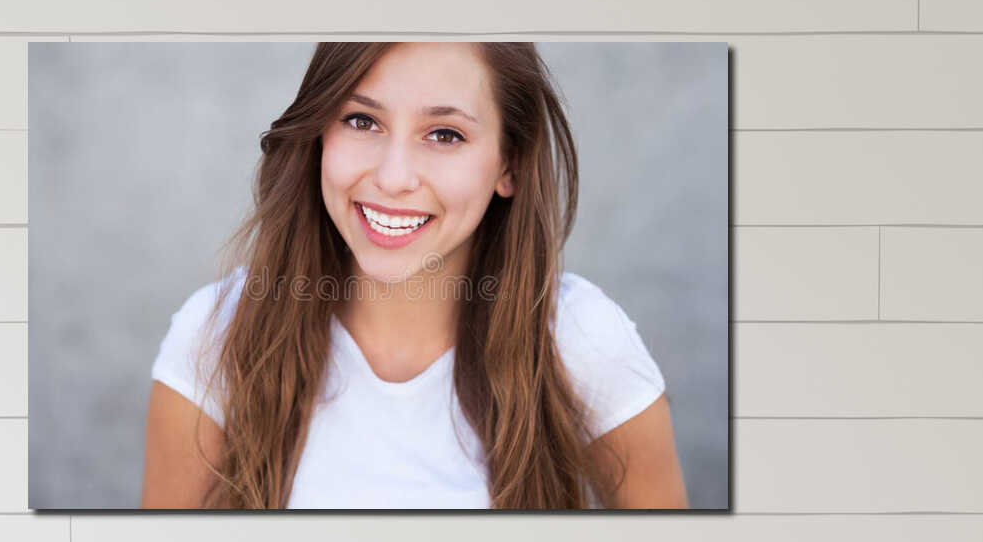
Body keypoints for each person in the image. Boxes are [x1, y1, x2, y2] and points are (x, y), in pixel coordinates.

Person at [142, 41, 687, 510]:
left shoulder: (581, 337)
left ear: (509, 165)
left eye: (445, 134)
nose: (393, 177)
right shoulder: (216, 336)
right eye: (362, 121)